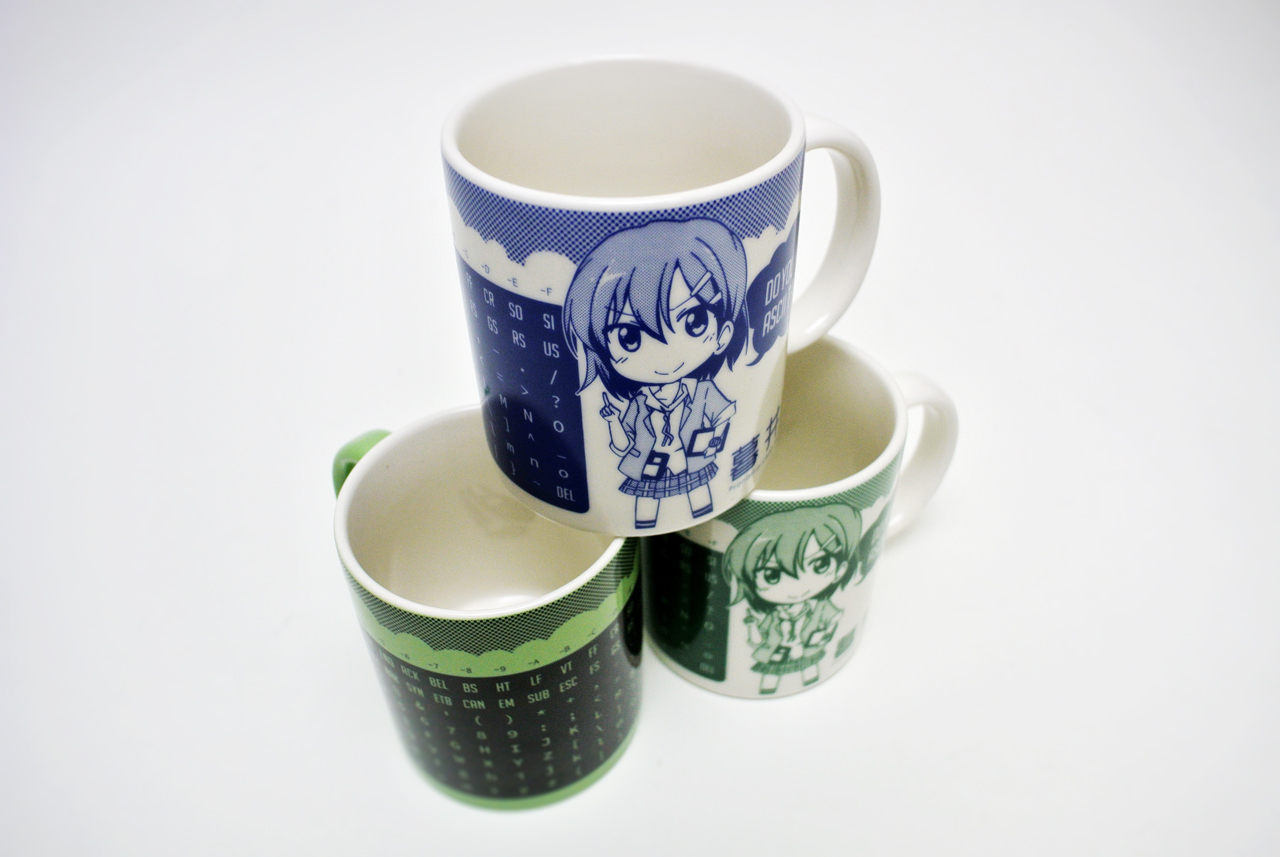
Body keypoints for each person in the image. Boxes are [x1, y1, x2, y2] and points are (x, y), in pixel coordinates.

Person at [563, 218, 749, 530]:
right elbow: (623, 445)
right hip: (651, 467)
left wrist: (713, 440)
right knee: (646, 506)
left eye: (694, 321)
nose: (665, 354)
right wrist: (612, 421)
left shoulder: (703, 392)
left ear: (724, 333)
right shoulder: (639, 405)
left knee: (700, 496)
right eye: (630, 337)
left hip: (692, 461)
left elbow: (723, 415)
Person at [722, 504, 865, 694]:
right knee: (771, 674)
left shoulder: (819, 608)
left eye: (820, 565)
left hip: (805, 649)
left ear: (840, 570)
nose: (797, 586)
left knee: (810, 667)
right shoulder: (775, 617)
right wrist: (750, 624)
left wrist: (824, 634)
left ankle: (808, 680)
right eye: (772, 575)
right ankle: (767, 690)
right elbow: (758, 639)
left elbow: (833, 617)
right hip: (780, 651)